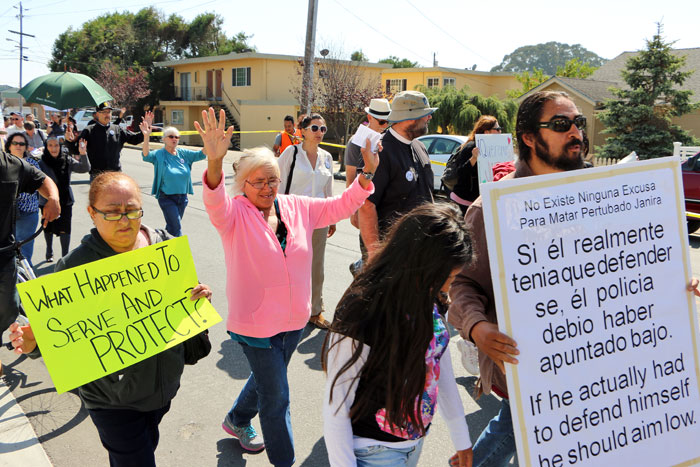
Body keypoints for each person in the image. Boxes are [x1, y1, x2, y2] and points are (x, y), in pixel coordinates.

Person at [197, 107, 378, 466]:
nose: (266, 188)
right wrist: (214, 162)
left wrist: (367, 172)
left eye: (272, 180)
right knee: (277, 396)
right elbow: (213, 198)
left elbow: (341, 205)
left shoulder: (297, 207)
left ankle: (236, 418)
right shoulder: (233, 214)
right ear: (243, 184)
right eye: (258, 182)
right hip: (255, 326)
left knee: (269, 381)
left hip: (294, 321)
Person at [9, 171, 212, 466]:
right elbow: (62, 334)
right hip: (112, 401)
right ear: (92, 213)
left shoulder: (162, 244)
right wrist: (33, 343)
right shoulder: (73, 267)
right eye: (113, 213)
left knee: (145, 446)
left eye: (132, 211)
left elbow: (184, 301)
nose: (125, 220)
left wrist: (199, 297)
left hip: (162, 388)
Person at [447, 91, 589, 467]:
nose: (575, 132)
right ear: (528, 137)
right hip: (532, 364)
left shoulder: (599, 194)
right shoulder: (494, 207)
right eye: (561, 124)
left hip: (594, 360)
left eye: (579, 123)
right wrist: (477, 327)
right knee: (519, 426)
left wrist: (670, 281)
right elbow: (464, 284)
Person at [323, 203, 473, 467]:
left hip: (412, 444)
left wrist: (462, 439)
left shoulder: (430, 296)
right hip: (373, 451)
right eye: (447, 277)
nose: (449, 286)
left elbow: (440, 367)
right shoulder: (362, 308)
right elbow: (336, 404)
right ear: (421, 264)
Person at [0, 139, 59, 376]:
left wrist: (53, 199)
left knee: (9, 307)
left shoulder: (11, 165)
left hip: (4, 255)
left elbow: (43, 180)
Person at [358, 90, 436, 262]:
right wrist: (374, 255)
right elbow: (366, 205)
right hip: (391, 255)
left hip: (419, 251)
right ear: (408, 118)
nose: (429, 118)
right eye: (425, 114)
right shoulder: (380, 151)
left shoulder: (420, 147)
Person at [279, 114, 335, 328]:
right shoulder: (291, 154)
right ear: (302, 131)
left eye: (323, 129)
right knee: (290, 264)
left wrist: (332, 217)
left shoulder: (327, 158)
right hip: (292, 216)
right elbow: (277, 183)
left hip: (319, 216)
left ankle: (315, 311)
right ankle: (288, 308)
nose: (319, 133)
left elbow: (327, 189)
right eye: (314, 128)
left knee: (316, 266)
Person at [139, 123, 206, 237]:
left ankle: (161, 239)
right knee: (176, 226)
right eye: (171, 137)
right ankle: (179, 250)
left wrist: (206, 140)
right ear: (164, 139)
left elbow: (202, 154)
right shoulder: (159, 154)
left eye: (177, 137)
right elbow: (146, 155)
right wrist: (146, 137)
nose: (174, 139)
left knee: (172, 227)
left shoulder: (184, 153)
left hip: (182, 198)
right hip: (166, 197)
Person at [64, 102, 153, 180]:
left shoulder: (117, 129)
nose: (107, 114)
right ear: (97, 114)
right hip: (97, 176)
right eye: (104, 112)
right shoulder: (89, 131)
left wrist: (145, 130)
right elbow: (76, 150)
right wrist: (68, 141)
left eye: (109, 112)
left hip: (116, 174)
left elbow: (135, 140)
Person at [38, 136, 90, 261]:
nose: (53, 148)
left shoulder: (67, 159)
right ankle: (49, 250)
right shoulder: (41, 162)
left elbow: (85, 168)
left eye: (56, 145)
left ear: (60, 146)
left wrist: (83, 154)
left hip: (65, 199)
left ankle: (65, 256)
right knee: (48, 226)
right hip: (47, 200)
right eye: (50, 145)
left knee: (65, 228)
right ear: (46, 147)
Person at [345, 99, 391, 229]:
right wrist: (352, 210)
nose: (384, 125)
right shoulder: (355, 142)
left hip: (385, 206)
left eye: (388, 122)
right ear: (369, 117)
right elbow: (350, 178)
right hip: (365, 204)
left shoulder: (388, 140)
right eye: (381, 121)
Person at [449, 116, 502, 214]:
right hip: (463, 202)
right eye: (497, 129)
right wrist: (473, 158)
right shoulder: (471, 147)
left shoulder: (495, 149)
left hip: (479, 202)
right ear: (487, 132)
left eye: (500, 129)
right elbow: (461, 173)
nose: (500, 132)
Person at [6, 132, 42, 268]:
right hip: (6, 215)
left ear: (26, 147)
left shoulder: (32, 164)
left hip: (27, 214)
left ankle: (27, 285)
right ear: (9, 145)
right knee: (7, 254)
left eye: (22, 144)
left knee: (24, 254)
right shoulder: (3, 164)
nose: (18, 146)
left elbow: (39, 185)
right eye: (15, 143)